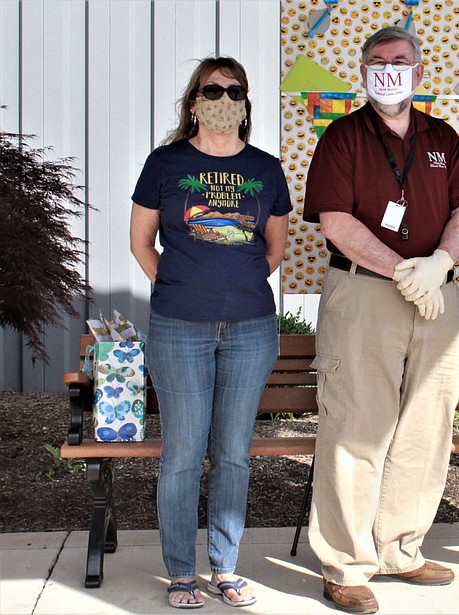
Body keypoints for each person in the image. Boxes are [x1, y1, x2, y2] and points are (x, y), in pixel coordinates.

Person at [302, 26, 459, 615]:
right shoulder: (342, 137)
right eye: (378, 61)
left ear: (419, 72)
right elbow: (336, 222)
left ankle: (401, 548)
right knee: (356, 425)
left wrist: (441, 265)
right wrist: (407, 271)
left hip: (437, 298)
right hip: (365, 295)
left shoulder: (443, 137)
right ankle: (346, 564)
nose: (389, 69)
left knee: (426, 426)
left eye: (400, 61)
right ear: (363, 70)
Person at [129, 57, 291, 609]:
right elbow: (141, 242)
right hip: (178, 327)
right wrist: (175, 283)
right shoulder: (165, 163)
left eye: (234, 89)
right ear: (193, 101)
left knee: (233, 454)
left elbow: (273, 248)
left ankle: (224, 567)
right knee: (181, 453)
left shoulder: (267, 169)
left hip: (250, 327)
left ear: (246, 102)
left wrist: (230, 285)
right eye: (212, 89)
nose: (223, 97)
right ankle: (179, 571)